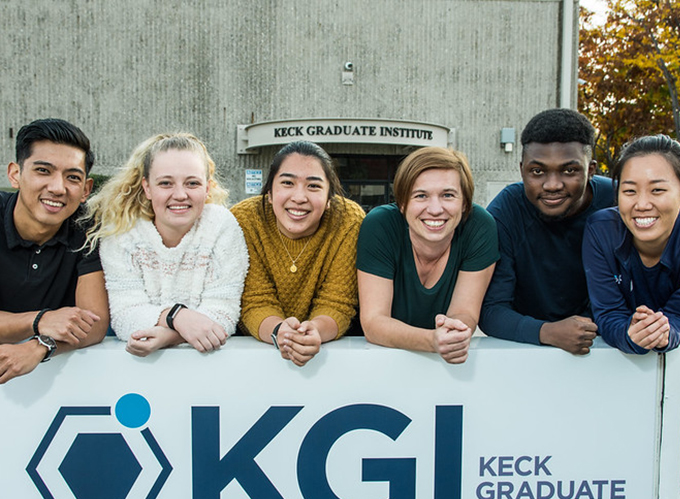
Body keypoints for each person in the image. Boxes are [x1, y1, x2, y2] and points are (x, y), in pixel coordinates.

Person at [582, 135, 680, 499]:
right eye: (629, 190)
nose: (641, 203)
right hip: (633, 375)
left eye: (658, 189)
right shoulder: (601, 230)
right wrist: (630, 335)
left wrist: (667, 329)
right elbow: (608, 313)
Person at [84, 133, 248, 357]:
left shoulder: (222, 226)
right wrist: (177, 316)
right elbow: (125, 316)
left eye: (192, 183)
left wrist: (170, 336)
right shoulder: (122, 232)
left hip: (208, 364)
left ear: (207, 188)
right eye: (165, 183)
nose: (180, 195)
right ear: (147, 188)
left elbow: (225, 313)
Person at [479, 108, 615, 354]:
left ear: (591, 170)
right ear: (522, 170)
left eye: (569, 170)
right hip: (527, 351)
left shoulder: (618, 202)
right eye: (538, 172)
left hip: (608, 348)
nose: (552, 185)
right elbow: (491, 311)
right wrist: (547, 332)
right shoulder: (506, 210)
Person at [356, 147, 499, 363]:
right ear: (403, 204)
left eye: (448, 195)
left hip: (442, 365)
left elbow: (464, 312)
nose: (435, 209)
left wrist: (452, 335)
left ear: (464, 204)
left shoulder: (479, 227)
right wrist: (431, 341)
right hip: (378, 359)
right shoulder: (380, 225)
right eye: (421, 196)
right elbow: (374, 322)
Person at [231, 141, 365, 367]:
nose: (299, 197)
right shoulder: (243, 220)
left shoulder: (348, 221)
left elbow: (338, 302)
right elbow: (254, 301)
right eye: (287, 183)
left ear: (329, 198)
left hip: (329, 356)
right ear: (270, 193)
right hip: (253, 357)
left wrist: (315, 331)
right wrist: (280, 333)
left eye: (313, 186)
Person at [0, 118, 108, 383]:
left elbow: (94, 324)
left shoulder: (89, 227)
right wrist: (39, 321)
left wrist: (40, 345)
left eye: (72, 177)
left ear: (86, 189)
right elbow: (46, 322)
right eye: (43, 171)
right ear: (15, 174)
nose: (58, 188)